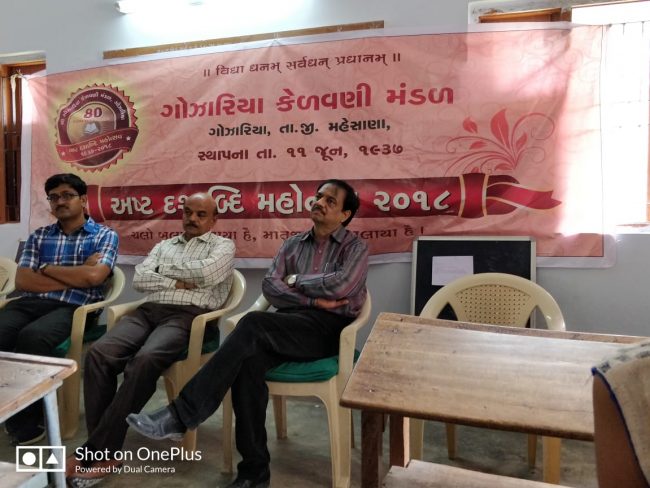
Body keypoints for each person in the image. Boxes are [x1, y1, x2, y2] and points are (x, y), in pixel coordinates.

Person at [127, 179, 368, 488]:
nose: (319, 202)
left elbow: (341, 287)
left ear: (345, 215)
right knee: (247, 366)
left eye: (330, 201)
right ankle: (254, 474)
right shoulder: (293, 244)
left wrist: (295, 280)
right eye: (319, 196)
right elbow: (270, 286)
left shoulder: (355, 248)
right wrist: (310, 298)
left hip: (327, 330)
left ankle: (181, 415)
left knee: (253, 324)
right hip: (286, 325)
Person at [66, 192, 235, 487]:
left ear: (213, 219)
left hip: (189, 316)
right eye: (188, 212)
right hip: (148, 311)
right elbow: (140, 279)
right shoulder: (164, 245)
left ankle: (96, 451)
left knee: (144, 359)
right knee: (99, 354)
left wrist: (162, 271)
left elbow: (207, 274)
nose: (192, 219)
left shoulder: (223, 246)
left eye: (201, 214)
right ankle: (105, 450)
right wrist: (179, 281)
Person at [0, 173, 119, 445]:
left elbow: (94, 277)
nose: (60, 202)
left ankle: (27, 420)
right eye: (54, 197)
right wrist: (77, 272)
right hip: (31, 302)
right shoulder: (39, 236)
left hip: (75, 307)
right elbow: (23, 280)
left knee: (33, 337)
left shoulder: (104, 236)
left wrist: (47, 269)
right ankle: (7, 403)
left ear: (83, 200)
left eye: (67, 195)